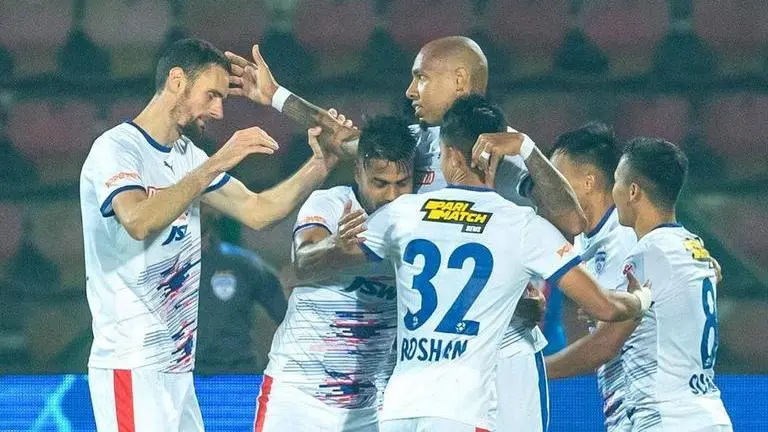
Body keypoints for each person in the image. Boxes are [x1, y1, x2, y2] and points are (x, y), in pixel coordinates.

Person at [226, 35, 587, 431]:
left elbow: (572, 221)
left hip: (502, 348)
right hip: (427, 367)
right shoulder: (416, 143)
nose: (410, 90)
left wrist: (530, 150)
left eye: (421, 78)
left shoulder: (501, 150)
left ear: (460, 80)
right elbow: (344, 140)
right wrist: (277, 96)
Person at [331, 95, 649, 432]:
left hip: (401, 407)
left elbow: (317, 264)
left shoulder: (402, 212)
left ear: (448, 155)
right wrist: (644, 297)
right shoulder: (523, 225)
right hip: (466, 407)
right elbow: (604, 303)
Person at [80, 38, 340, 431]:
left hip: (177, 369)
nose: (218, 110)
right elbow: (137, 220)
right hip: (131, 365)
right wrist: (216, 163)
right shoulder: (117, 149)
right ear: (177, 80)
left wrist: (320, 165)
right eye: (212, 95)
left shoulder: (189, 157)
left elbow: (258, 211)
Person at [550, 137, 733, 431]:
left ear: (632, 191)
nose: (613, 191)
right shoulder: (693, 245)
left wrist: (536, 370)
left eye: (617, 182)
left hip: (665, 418)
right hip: (705, 414)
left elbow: (605, 346)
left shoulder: (648, 252)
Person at [253, 115, 416, 432]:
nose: (392, 196)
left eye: (402, 183)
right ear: (359, 172)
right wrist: (336, 245)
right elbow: (303, 261)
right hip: (297, 397)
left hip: (369, 406)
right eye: (380, 183)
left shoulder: (418, 223)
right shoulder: (331, 203)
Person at [545, 122, 637, 431]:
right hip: (621, 406)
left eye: (557, 178)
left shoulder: (627, 240)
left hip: (650, 408)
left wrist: (533, 371)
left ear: (588, 182)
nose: (550, 188)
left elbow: (605, 345)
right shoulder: (582, 241)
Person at [195, 212, 287, 374]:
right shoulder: (159, 268)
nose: (192, 212)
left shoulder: (242, 264)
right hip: (178, 381)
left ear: (215, 211)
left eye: (200, 204)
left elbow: (288, 313)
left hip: (236, 377)